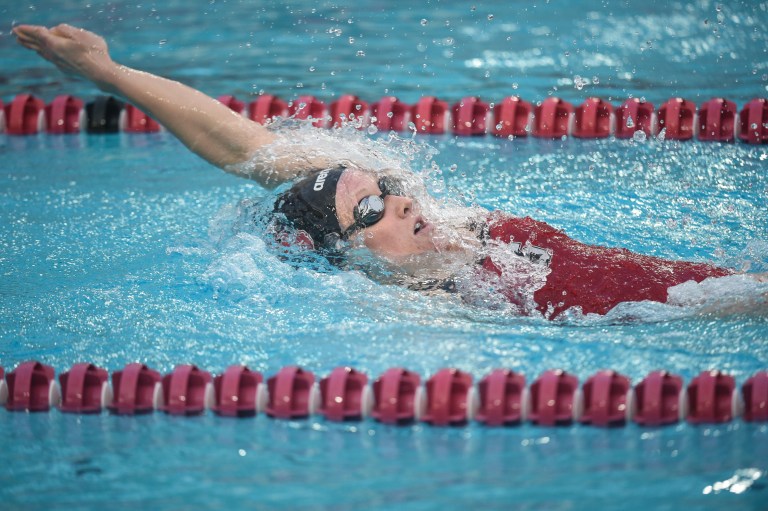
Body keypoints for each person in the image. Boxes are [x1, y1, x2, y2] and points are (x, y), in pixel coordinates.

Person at [12, 24, 762, 319]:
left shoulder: (453, 227)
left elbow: (243, 147)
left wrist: (111, 73)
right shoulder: (426, 311)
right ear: (344, 255)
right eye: (372, 212)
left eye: (389, 190)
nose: (400, 202)